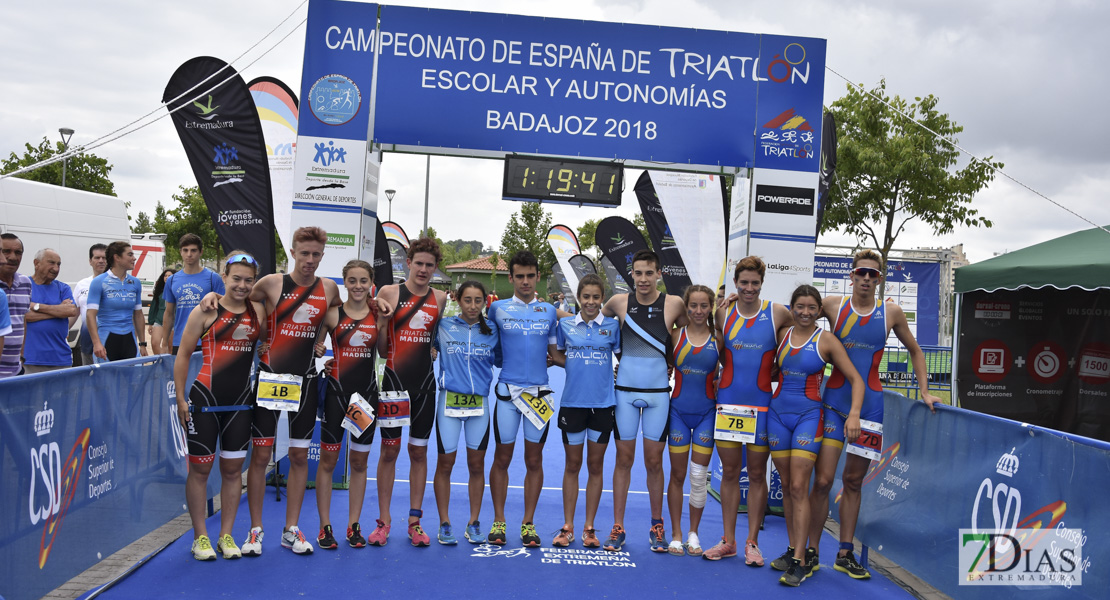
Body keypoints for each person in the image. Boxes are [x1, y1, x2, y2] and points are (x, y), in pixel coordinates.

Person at [200, 226, 344, 556]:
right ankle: (255, 530)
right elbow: (235, 302)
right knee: (262, 456)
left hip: (305, 382)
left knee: (297, 456)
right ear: (292, 253)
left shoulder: (329, 288)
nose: (309, 260)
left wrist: (321, 339)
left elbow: (339, 312)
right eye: (304, 253)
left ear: (323, 256)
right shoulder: (271, 283)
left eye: (316, 255)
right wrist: (211, 297)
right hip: (269, 379)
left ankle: (290, 529)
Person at [805, 250, 941, 580]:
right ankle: (809, 550)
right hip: (835, 406)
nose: (867, 278)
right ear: (851, 275)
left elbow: (916, 350)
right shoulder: (834, 306)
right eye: (861, 272)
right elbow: (797, 312)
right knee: (822, 481)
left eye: (873, 274)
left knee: (853, 481)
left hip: (870, 409)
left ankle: (845, 552)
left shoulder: (891, 312)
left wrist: (924, 390)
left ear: (879, 279)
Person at [174, 251, 266, 561]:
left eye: (248, 280)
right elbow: (183, 355)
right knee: (200, 470)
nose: (241, 285)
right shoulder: (206, 310)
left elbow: (272, 338)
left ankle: (226, 535)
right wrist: (180, 398)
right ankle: (200, 536)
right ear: (223, 277)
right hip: (204, 401)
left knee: (231, 471)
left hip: (240, 404)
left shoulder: (258, 312)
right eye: (236, 278)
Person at [770, 285, 863, 587]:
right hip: (777, 415)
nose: (806, 313)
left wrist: (854, 414)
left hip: (809, 417)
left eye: (812, 307)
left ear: (819, 310)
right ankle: (791, 548)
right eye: (800, 306)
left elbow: (856, 380)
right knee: (786, 485)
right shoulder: (781, 333)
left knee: (800, 485)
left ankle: (801, 559)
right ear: (792, 307)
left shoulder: (826, 340)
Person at [704, 257, 793, 564]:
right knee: (729, 472)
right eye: (744, 283)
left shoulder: (777, 312)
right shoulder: (723, 313)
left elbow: (800, 335)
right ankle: (727, 540)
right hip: (729, 404)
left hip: (761, 406)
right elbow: (715, 349)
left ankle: (752, 543)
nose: (749, 288)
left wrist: (778, 370)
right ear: (736, 283)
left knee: (756, 474)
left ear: (762, 283)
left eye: (755, 283)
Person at [600, 249, 688, 552]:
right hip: (624, 393)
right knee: (623, 460)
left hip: (658, 396)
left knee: (653, 462)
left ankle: (656, 524)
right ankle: (618, 526)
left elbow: (695, 330)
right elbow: (593, 322)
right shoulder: (618, 302)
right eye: (638, 273)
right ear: (631, 275)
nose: (643, 279)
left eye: (649, 273)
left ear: (658, 274)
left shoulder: (674, 304)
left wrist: (674, 358)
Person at [370, 237, 448, 547]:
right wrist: (381, 322)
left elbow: (435, 340)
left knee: (418, 451)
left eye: (430, 265)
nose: (424, 269)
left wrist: (434, 350)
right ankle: (384, 521)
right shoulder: (389, 292)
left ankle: (415, 522)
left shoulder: (440, 298)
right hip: (393, 382)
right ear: (408, 264)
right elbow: (380, 348)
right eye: (419, 263)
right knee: (389, 451)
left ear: (435, 268)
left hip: (425, 387)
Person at [487, 250, 559, 547]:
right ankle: (499, 520)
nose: (526, 281)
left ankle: (528, 523)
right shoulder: (497, 309)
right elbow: (489, 349)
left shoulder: (551, 312)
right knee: (502, 458)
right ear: (511, 277)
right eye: (520, 276)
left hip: (538, 394)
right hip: (507, 393)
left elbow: (556, 355)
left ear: (538, 277)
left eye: (531, 276)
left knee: (534, 459)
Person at [549, 274, 620, 548]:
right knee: (572, 465)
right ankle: (568, 526)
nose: (591, 302)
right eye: (586, 297)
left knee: (595, 466)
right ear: (579, 298)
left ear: (602, 299)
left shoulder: (613, 326)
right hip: (573, 404)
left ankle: (589, 528)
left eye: (596, 297)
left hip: (603, 405)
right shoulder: (566, 325)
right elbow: (557, 356)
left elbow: (622, 358)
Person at [316, 260, 381, 549]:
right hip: (336, 395)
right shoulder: (332, 315)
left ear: (371, 283)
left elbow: (389, 351)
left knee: (359, 461)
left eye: (363, 281)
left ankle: (354, 525)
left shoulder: (379, 316)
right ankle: (324, 526)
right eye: (352, 280)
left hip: (365, 398)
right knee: (329, 460)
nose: (357, 286)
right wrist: (322, 357)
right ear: (344, 282)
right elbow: (315, 347)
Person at [431, 280, 500, 545]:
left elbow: (505, 358)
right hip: (448, 402)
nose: (472, 306)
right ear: (458, 300)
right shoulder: (444, 326)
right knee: (445, 464)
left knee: (476, 465)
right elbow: (426, 346)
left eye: (478, 301)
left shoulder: (493, 330)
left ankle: (473, 522)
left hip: (479, 405)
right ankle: (444, 523)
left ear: (485, 302)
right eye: (467, 300)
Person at [665, 284, 719, 556]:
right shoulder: (675, 336)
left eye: (704, 306)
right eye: (693, 306)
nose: (698, 311)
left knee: (698, 478)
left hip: (707, 415)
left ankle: (693, 534)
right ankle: (675, 533)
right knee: (677, 474)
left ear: (711, 308)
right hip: (678, 413)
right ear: (686, 307)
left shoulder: (718, 340)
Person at [86, 241, 149, 362]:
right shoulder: (99, 281)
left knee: (133, 380)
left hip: (129, 340)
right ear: (117, 258)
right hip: (106, 339)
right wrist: (96, 343)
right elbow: (90, 315)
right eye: (130, 255)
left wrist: (142, 344)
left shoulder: (135, 282)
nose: (134, 258)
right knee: (107, 380)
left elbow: (138, 314)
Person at [163, 233, 225, 355]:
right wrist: (164, 343)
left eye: (193, 250)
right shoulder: (172, 280)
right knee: (181, 374)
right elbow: (169, 313)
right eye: (185, 250)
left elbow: (225, 309)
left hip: (206, 340)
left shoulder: (214, 278)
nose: (189, 254)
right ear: (180, 252)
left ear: (201, 252)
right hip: (180, 340)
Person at [23, 249, 78, 374]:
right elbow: (24, 315)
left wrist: (36, 306)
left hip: (61, 359)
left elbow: (71, 310)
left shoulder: (62, 288)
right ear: (37, 263)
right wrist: (58, 310)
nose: (56, 268)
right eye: (51, 263)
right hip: (31, 360)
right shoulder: (24, 285)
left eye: (58, 264)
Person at [0, 233, 32, 378]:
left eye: (18, 252)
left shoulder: (25, 283)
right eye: (6, 251)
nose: (12, 257)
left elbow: (23, 319)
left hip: (16, 370)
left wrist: (21, 355)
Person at [71, 243, 108, 366]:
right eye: (97, 258)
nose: (101, 261)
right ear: (90, 261)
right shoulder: (82, 284)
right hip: (87, 341)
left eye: (104, 258)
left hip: (110, 339)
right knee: (89, 376)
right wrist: (62, 330)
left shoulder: (118, 284)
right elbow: (75, 312)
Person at [148, 269, 175, 355]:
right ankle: (160, 362)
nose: (167, 277)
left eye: (169, 276)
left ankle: (169, 365)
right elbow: (154, 307)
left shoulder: (178, 290)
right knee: (154, 343)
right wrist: (150, 323)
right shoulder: (159, 291)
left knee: (170, 346)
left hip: (173, 323)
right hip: (159, 321)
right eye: (165, 275)